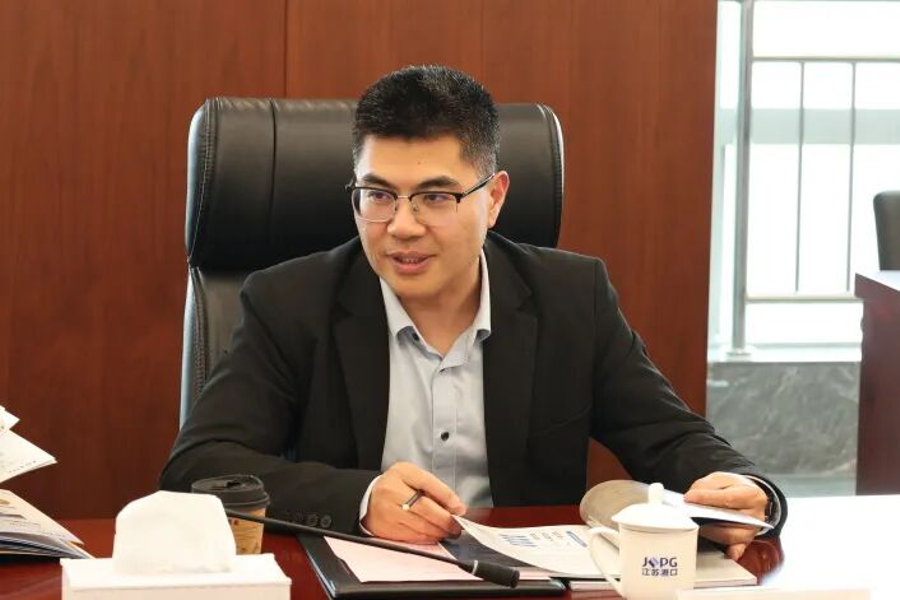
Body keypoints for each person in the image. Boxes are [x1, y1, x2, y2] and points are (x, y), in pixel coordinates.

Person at [161, 65, 784, 560]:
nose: (401, 227)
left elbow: (671, 437)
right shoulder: (290, 301)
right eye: (378, 194)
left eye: (435, 197)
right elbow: (200, 464)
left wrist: (749, 492)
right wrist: (362, 498)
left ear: (494, 199)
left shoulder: (572, 297)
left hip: (527, 584)